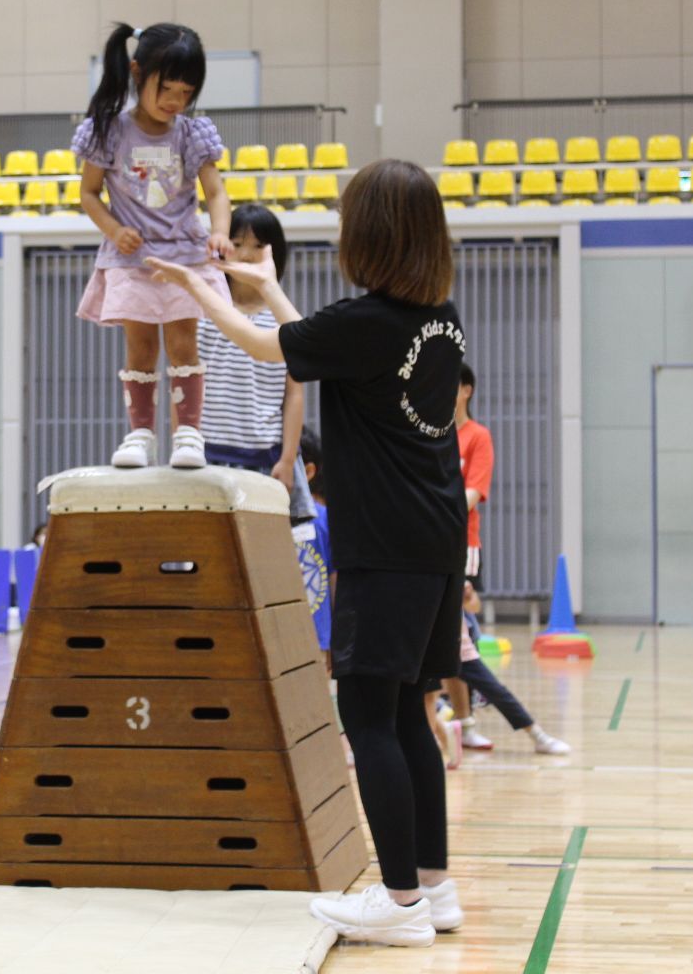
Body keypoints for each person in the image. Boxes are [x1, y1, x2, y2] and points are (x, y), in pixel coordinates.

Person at [148, 158, 467, 947]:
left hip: (384, 546)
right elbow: (309, 338)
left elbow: (268, 349)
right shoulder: (437, 318)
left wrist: (200, 291)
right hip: (434, 540)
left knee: (367, 715)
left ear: (373, 235)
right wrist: (260, 280)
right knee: (408, 711)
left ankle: (396, 905)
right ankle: (432, 885)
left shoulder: (365, 324)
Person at [73, 21, 231, 470]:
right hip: (131, 259)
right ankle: (140, 433)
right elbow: (88, 193)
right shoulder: (109, 131)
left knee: (184, 343)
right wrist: (112, 229)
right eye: (167, 89)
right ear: (138, 72)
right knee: (140, 348)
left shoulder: (190, 133)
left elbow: (216, 191)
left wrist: (219, 231)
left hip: (183, 255)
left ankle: (188, 434)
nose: (175, 102)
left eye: (186, 92)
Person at [445, 364, 569, 756]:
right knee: (453, 651)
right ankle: (463, 723)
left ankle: (495, 724)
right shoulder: (432, 436)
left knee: (459, 647)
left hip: (460, 547)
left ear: (466, 390)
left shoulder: (477, 436)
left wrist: (434, 513)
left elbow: (473, 492)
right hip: (427, 548)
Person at [198, 204, 315, 523]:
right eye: (237, 244)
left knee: (270, 555)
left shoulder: (283, 316)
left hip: (268, 455)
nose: (246, 254)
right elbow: (184, 385)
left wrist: (288, 458)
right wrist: (187, 446)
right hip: (210, 453)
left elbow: (294, 394)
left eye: (258, 245)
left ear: (276, 253)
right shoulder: (206, 313)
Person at [295, 427, 331, 651]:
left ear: (308, 472)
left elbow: (335, 577)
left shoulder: (324, 520)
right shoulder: (261, 518)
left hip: (317, 640)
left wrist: (336, 639)